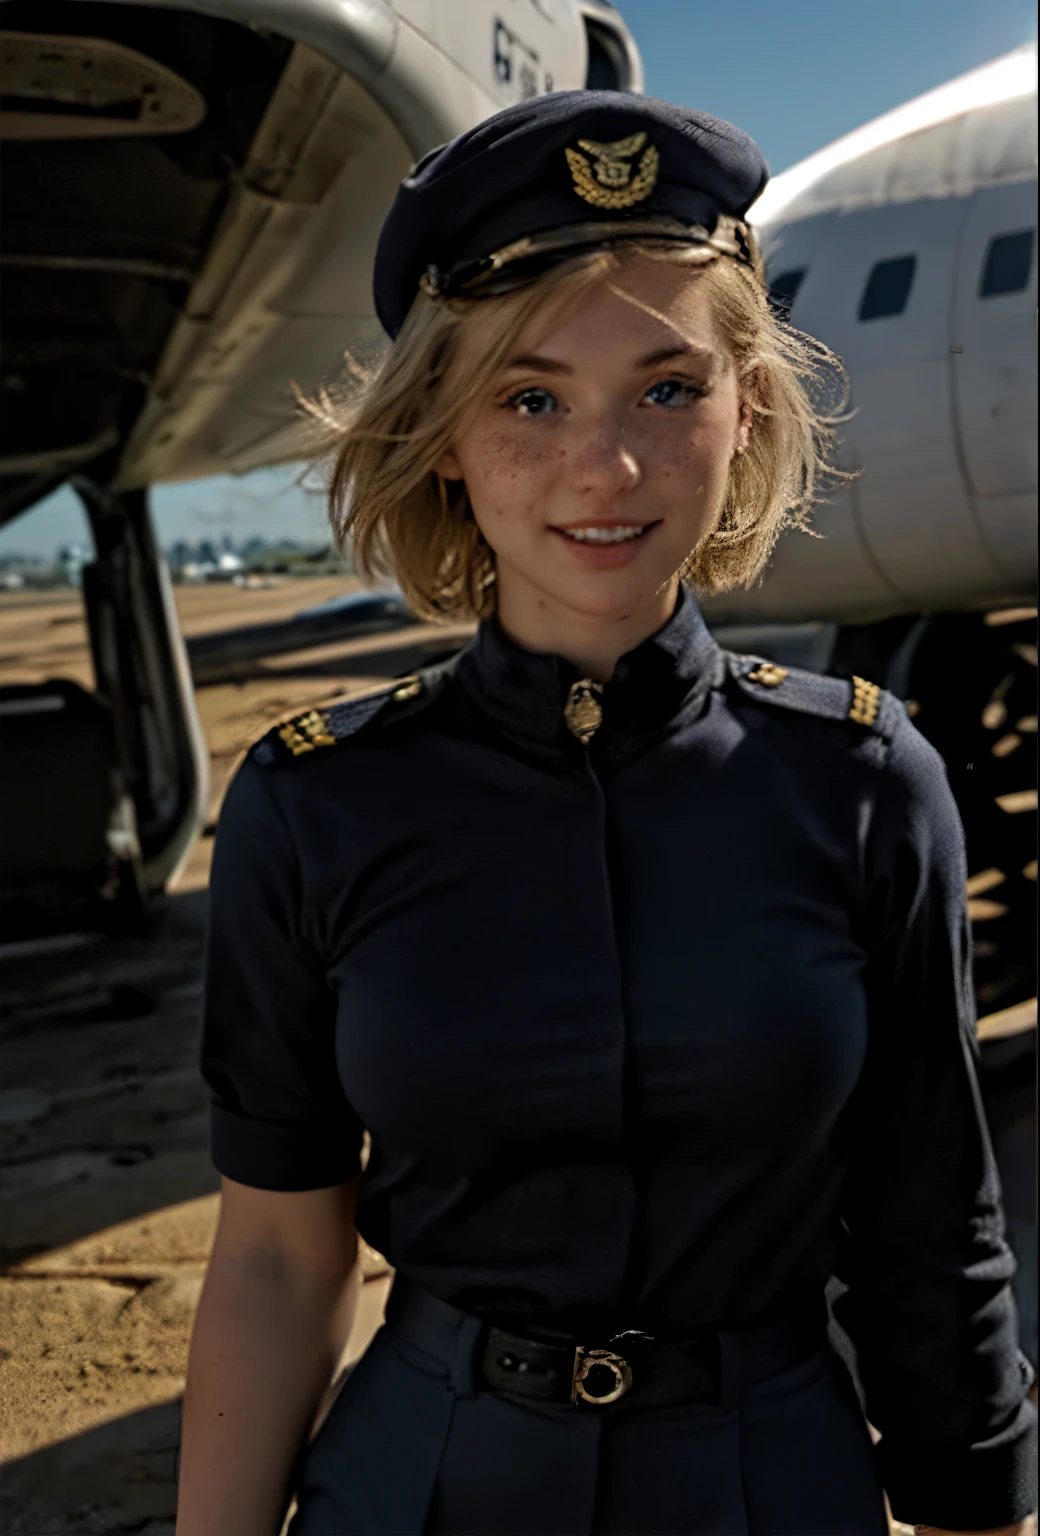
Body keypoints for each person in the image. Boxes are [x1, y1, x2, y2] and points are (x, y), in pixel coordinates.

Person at [177, 92, 1037, 1536]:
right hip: (424, 1483)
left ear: (743, 408)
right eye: (530, 398)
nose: (608, 467)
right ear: (443, 434)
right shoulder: (315, 804)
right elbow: (274, 1253)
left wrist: (984, 1515)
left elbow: (930, 1233)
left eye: (667, 387)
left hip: (778, 1480)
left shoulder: (869, 786)